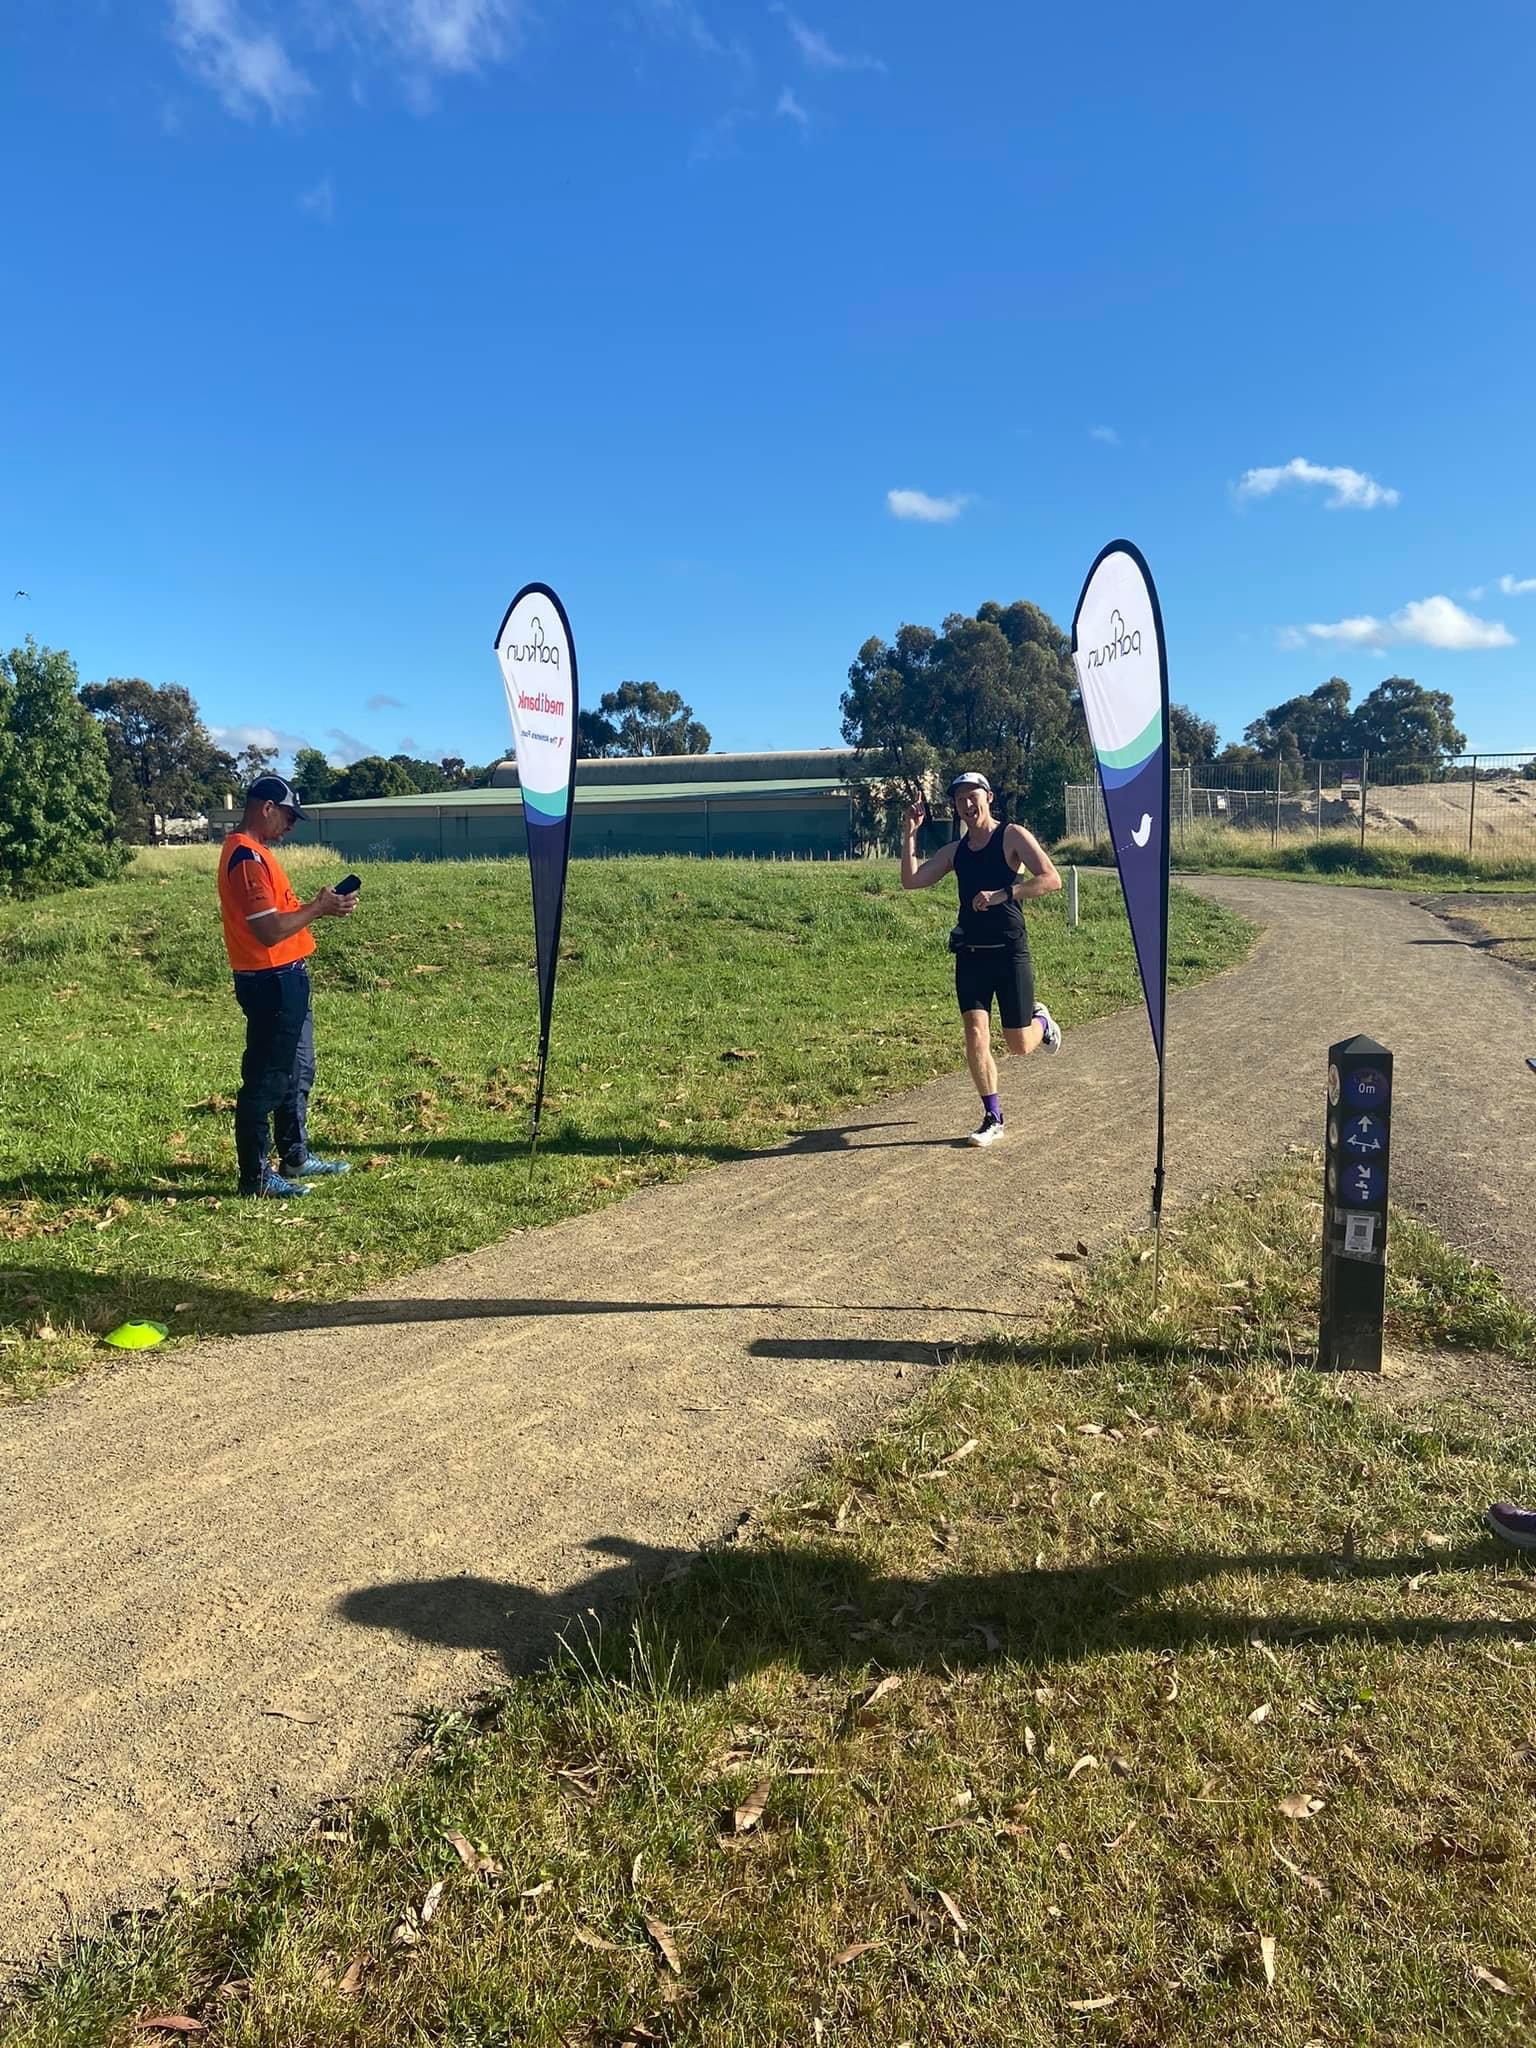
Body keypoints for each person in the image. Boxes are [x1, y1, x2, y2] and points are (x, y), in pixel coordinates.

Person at [901, 770, 1062, 1146]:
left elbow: (1051, 879)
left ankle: (1042, 1021)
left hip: (1009, 952)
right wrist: (910, 833)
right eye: (960, 800)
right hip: (970, 953)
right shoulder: (956, 852)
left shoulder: (1012, 836)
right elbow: (912, 881)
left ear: (989, 797)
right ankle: (993, 1116)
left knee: (1019, 1045)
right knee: (975, 1033)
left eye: (973, 797)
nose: (967, 805)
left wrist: (1004, 893)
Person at [216, 774, 358, 1198]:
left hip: (287, 975)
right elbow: (269, 930)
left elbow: (279, 915)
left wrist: (318, 907)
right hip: (270, 979)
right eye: (289, 817)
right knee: (267, 1079)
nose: (291, 827)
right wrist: (318, 908)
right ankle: (256, 1177)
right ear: (266, 808)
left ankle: (293, 1155)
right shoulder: (246, 858)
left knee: (297, 1070)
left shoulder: (255, 854)